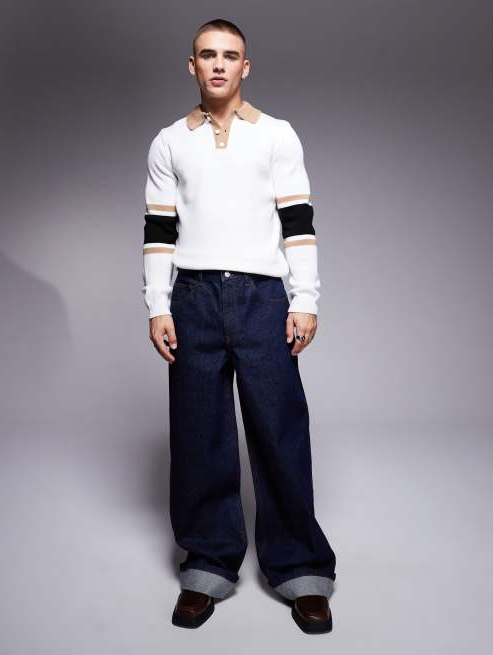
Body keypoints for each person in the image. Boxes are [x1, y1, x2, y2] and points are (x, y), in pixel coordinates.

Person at [142, 18, 337, 633]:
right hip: (194, 298)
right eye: (208, 55)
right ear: (193, 66)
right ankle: (208, 562)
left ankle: (301, 568)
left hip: (263, 299)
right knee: (199, 434)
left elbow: (298, 223)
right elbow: (159, 231)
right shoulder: (169, 142)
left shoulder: (276, 135)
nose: (219, 64)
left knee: (279, 431)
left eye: (230, 55)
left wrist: (305, 299)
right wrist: (158, 305)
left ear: (245, 67)